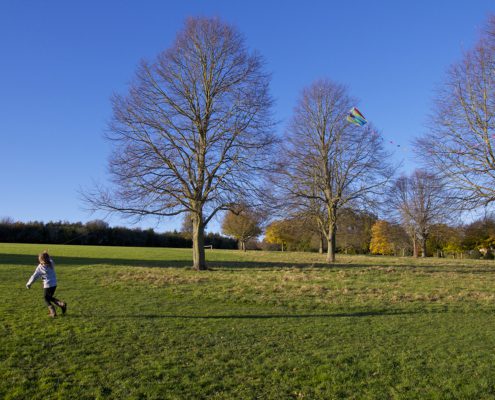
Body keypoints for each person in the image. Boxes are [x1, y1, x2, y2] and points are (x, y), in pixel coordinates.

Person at [26, 251, 67, 318]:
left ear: (40, 260)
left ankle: (53, 312)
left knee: (46, 298)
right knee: (49, 297)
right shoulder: (51, 263)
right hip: (54, 284)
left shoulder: (40, 267)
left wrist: (29, 283)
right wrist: (47, 254)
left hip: (47, 285)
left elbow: (34, 276)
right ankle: (61, 304)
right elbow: (50, 259)